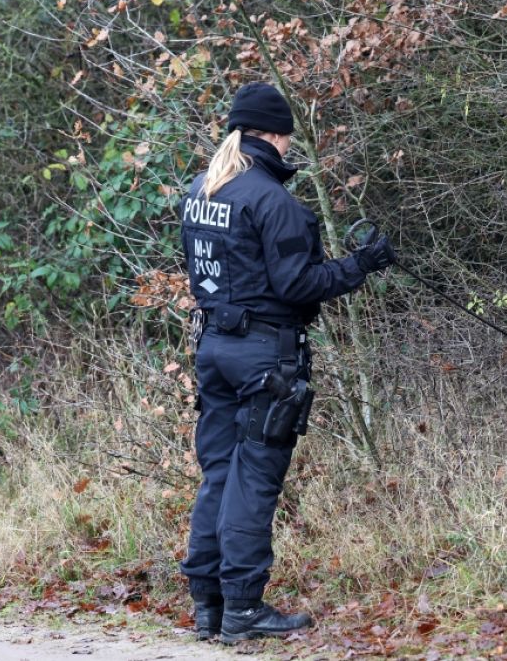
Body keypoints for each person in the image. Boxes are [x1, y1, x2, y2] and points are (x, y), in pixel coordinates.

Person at [178, 83, 394, 643]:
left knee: (219, 473)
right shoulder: (273, 201)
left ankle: (210, 607)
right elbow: (299, 285)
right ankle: (244, 610)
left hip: (214, 349)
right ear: (275, 135)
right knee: (253, 479)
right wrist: (362, 264)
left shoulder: (202, 188)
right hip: (264, 356)